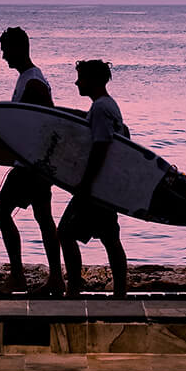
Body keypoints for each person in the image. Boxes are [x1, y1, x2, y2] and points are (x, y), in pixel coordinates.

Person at [0, 26, 64, 296]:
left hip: (32, 166)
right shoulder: (28, 78)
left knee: (1, 212)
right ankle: (56, 279)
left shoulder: (34, 82)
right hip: (34, 164)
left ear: (19, 48)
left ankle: (19, 277)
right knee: (44, 219)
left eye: (5, 50)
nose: (3, 57)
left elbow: (52, 122)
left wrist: (41, 162)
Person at [56, 58, 129, 298]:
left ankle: (74, 289)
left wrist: (85, 185)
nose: (76, 82)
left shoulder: (99, 109)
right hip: (107, 185)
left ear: (93, 80)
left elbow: (101, 146)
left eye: (81, 78)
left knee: (65, 233)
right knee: (110, 237)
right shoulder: (108, 105)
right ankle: (119, 292)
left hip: (96, 186)